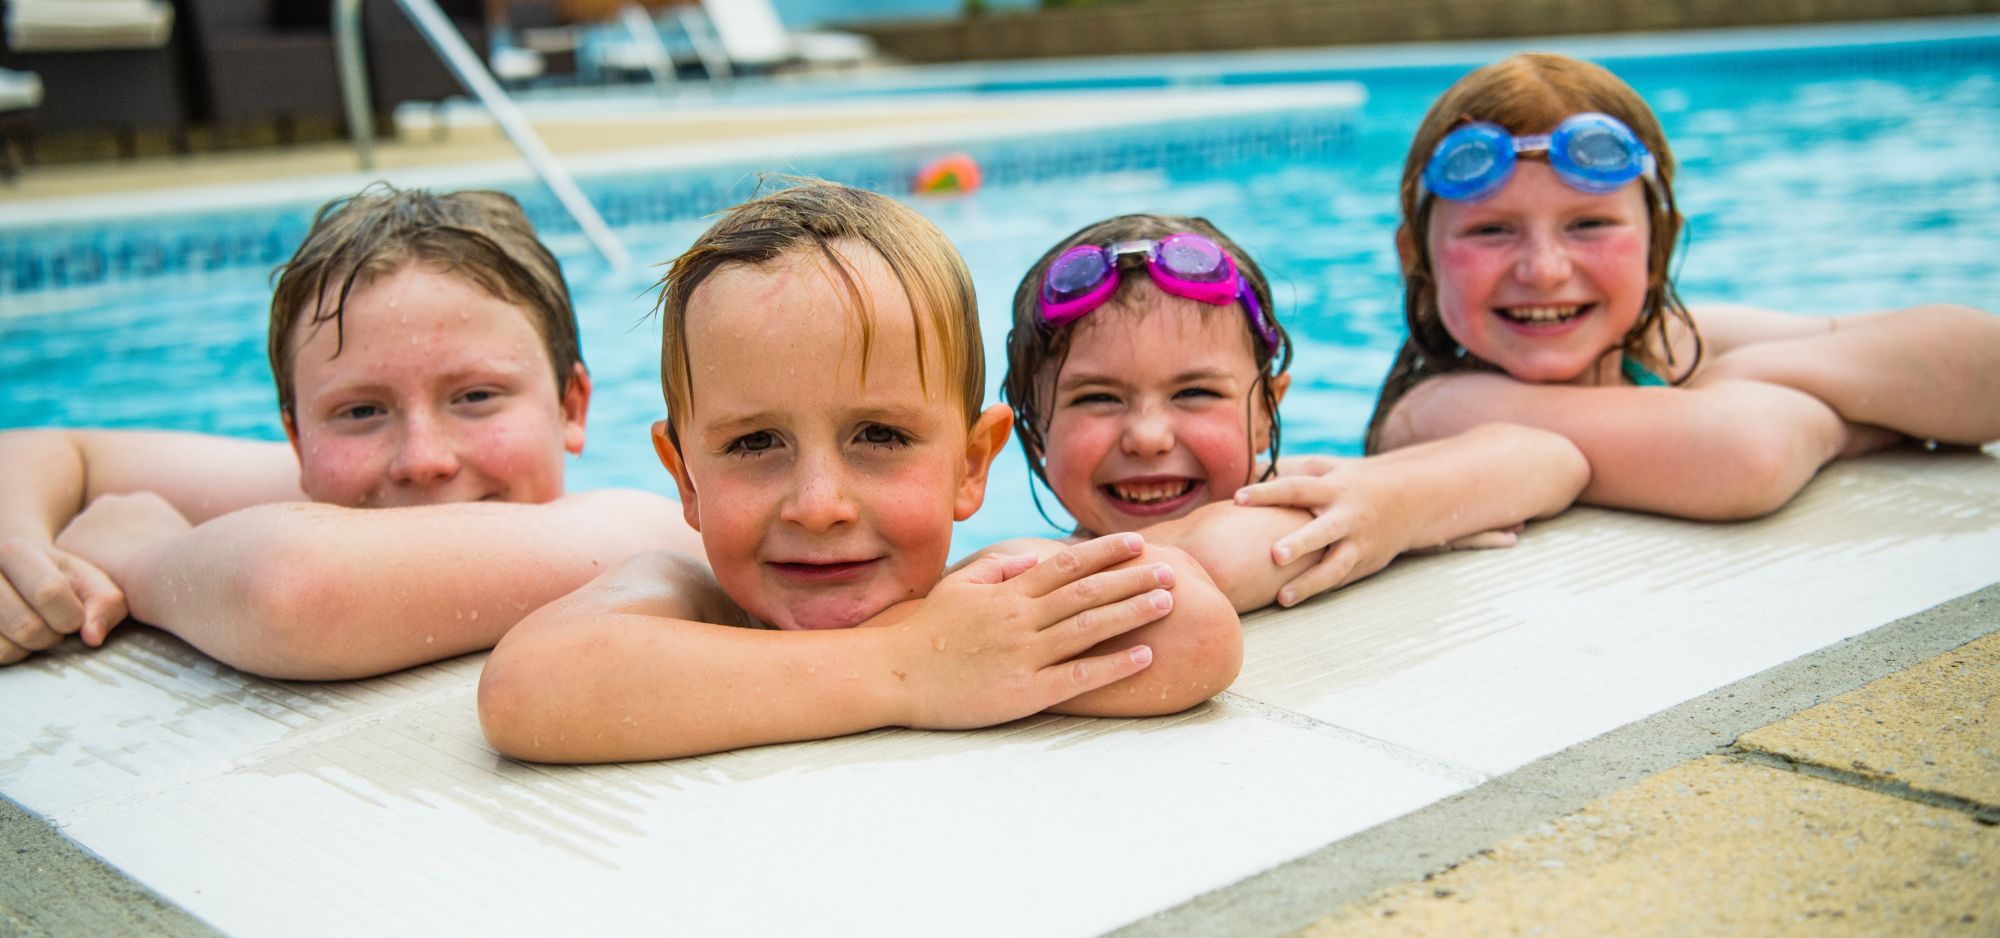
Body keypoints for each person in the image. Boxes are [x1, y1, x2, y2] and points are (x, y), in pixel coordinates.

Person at [477, 181, 1242, 763]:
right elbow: (526, 690)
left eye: (878, 435)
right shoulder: (684, 595)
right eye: (753, 444)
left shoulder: (991, 597)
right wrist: (901, 670)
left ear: (972, 465)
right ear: (685, 480)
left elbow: (1196, 634)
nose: (818, 505)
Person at [0, 186, 702, 678]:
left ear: (572, 407)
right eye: (362, 412)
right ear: (298, 441)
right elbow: (48, 450)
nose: (422, 461)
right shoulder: (337, 494)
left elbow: (298, 591)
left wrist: (142, 555)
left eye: (477, 397)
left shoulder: (630, 532)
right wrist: (25, 555)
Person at [1367, 53, 2000, 519]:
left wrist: (1751, 378)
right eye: (1492, 232)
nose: (1545, 269)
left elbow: (1982, 365)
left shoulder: (1667, 341)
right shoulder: (1437, 408)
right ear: (1414, 257)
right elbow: (1742, 457)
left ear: (1658, 246)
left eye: (1588, 224)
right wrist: (1863, 415)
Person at [999, 213, 1588, 612]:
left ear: (1265, 410)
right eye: (1098, 398)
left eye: (1195, 393)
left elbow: (1554, 458)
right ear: (1034, 424)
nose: (1148, 437)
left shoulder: (1305, 490)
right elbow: (1212, 560)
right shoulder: (1023, 575)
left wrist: (1401, 509)